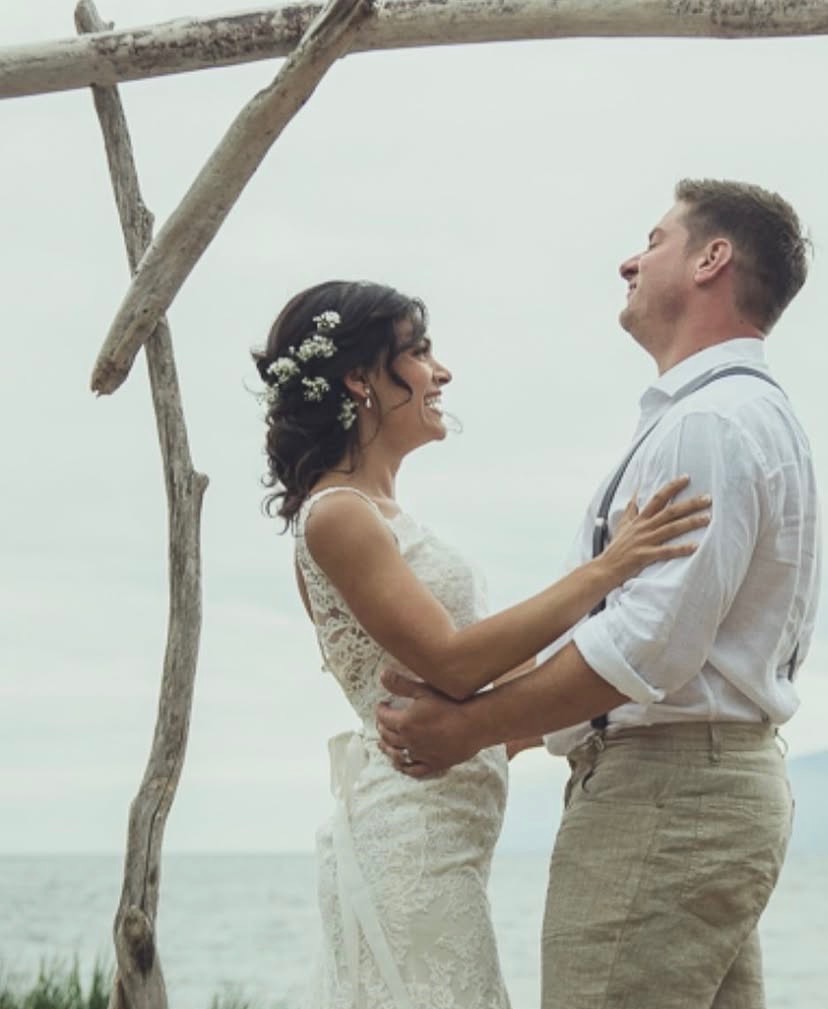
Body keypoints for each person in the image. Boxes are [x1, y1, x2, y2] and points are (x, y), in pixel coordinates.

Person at [376, 179, 822, 1009]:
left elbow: (648, 644)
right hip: (705, 795)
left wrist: (472, 728)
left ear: (711, 259)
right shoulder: (736, 415)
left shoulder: (710, 424)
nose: (630, 257)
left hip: (665, 799)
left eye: (655, 239)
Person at [253, 280, 711, 1009]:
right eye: (421, 352)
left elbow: (490, 686)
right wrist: (609, 568)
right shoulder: (335, 516)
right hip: (410, 839)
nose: (443, 372)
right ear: (360, 379)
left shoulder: (382, 516)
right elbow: (456, 662)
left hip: (447, 837)